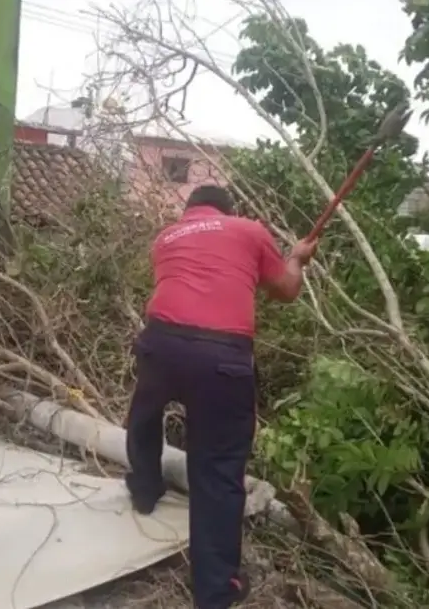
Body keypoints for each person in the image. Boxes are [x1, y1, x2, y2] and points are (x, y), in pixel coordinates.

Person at [124, 184, 317, 609]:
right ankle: (215, 591)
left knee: (145, 410)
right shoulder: (247, 229)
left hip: (161, 340)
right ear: (229, 209)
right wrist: (297, 259)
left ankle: (143, 489)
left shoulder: (167, 237)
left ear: (189, 211)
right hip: (221, 356)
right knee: (216, 468)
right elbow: (285, 290)